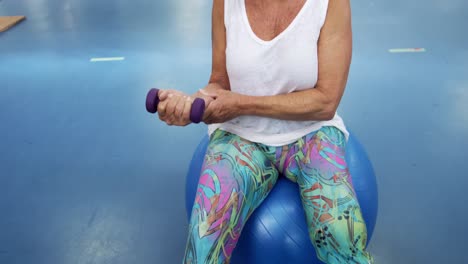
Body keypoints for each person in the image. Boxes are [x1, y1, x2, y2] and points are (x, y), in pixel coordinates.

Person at [156, 0, 374, 263]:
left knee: (342, 237)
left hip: (312, 133)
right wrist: (190, 104)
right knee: (202, 242)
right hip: (242, 135)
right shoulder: (225, 3)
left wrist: (243, 104)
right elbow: (219, 83)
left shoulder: (330, 3)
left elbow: (326, 102)